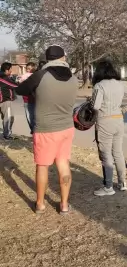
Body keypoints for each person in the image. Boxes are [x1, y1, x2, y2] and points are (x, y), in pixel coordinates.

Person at [15, 45, 78, 215]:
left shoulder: (40, 75)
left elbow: (20, 90)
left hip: (45, 129)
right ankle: (64, 205)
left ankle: (40, 204)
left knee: (42, 166)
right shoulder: (74, 77)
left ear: (47, 58)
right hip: (66, 128)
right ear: (63, 57)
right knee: (63, 164)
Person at [90, 59, 127, 196]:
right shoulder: (121, 84)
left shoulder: (99, 86)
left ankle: (108, 187)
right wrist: (124, 109)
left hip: (105, 121)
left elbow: (95, 106)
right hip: (119, 120)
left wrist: (91, 101)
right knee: (118, 153)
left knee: (106, 155)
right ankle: (122, 183)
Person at [16, 62, 37, 135]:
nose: (28, 70)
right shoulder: (33, 76)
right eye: (27, 68)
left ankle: (34, 131)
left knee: (31, 117)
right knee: (32, 117)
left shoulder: (31, 76)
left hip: (31, 99)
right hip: (30, 99)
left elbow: (19, 82)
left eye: (29, 69)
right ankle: (34, 130)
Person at [0, 62, 18, 140]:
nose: (11, 71)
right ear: (7, 70)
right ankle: (7, 135)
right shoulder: (4, 78)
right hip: (4, 101)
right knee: (9, 118)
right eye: (11, 69)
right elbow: (15, 85)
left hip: (3, 100)